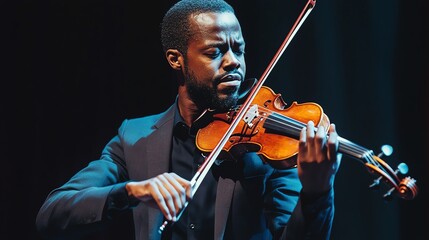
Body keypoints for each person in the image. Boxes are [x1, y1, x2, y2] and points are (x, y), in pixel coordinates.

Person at [36, 0, 342, 239]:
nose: (233, 61)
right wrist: (133, 190)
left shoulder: (269, 150)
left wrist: (316, 191)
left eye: (239, 49)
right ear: (176, 59)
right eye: (215, 52)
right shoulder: (134, 138)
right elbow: (52, 215)